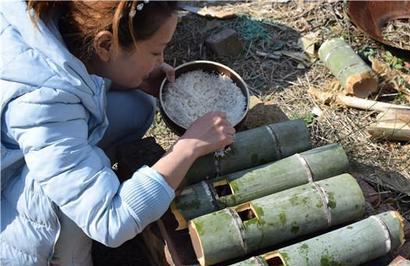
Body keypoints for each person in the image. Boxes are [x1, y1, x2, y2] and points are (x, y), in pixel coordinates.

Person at [0, 1, 235, 265]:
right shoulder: (44, 102)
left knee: (135, 104)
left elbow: (78, 77)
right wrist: (188, 147)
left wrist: (126, 75)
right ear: (105, 46)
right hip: (8, 225)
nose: (161, 61)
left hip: (27, 146)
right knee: (66, 208)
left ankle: (85, 180)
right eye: (156, 52)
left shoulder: (55, 20)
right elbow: (111, 222)